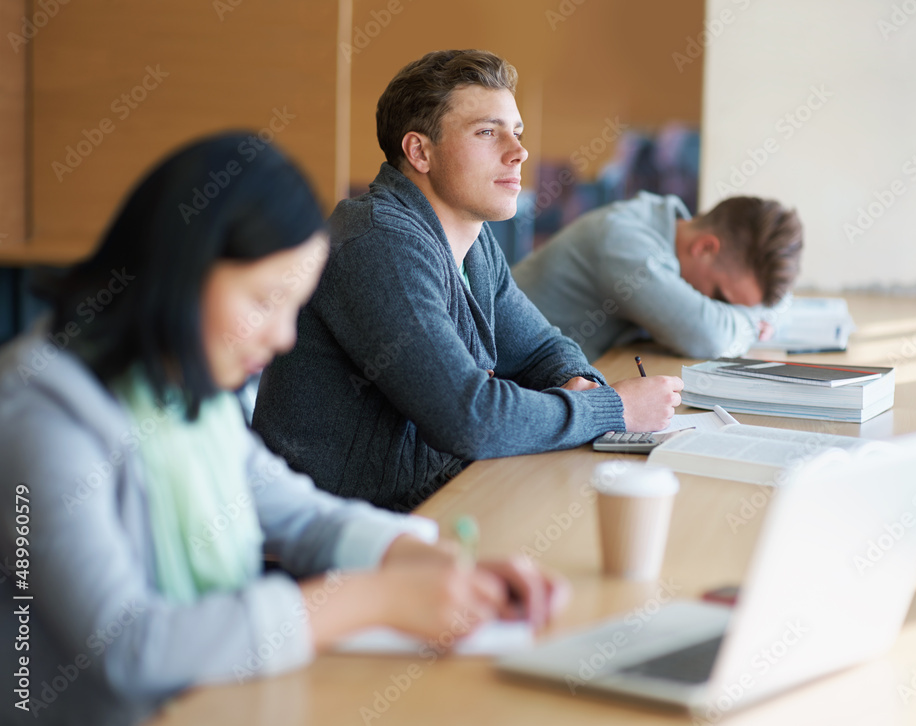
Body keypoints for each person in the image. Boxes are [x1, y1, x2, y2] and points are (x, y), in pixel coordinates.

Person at [0, 135, 565, 726]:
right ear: (183, 269)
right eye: (265, 300)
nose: (283, 338)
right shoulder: (37, 414)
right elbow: (130, 647)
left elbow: (298, 514)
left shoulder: (184, 380)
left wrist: (430, 560)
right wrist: (372, 597)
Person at [251, 50, 684, 512]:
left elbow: (541, 350)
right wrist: (610, 409)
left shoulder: (473, 242)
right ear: (420, 151)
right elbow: (470, 418)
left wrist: (579, 385)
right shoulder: (377, 243)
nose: (518, 152)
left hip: (436, 502)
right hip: (338, 543)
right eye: (487, 132)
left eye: (516, 132)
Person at [512, 193, 804, 362]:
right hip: (504, 387)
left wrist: (756, 314)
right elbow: (709, 337)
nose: (723, 306)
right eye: (721, 297)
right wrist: (753, 323)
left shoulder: (667, 225)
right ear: (704, 248)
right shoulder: (624, 244)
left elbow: (782, 302)